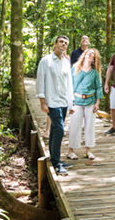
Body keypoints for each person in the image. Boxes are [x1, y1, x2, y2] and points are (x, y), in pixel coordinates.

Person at [37, 35, 75, 176]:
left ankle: (54, 159)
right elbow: (40, 81)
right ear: (55, 44)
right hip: (52, 101)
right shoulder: (46, 61)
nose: (63, 45)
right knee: (59, 129)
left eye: (65, 43)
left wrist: (71, 103)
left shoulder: (66, 62)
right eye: (61, 42)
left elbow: (69, 83)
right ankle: (57, 162)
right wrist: (42, 101)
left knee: (55, 129)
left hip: (63, 101)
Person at [67, 48, 103, 161]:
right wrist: (70, 101)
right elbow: (69, 85)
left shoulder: (94, 72)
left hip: (90, 101)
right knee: (75, 125)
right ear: (84, 55)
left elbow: (98, 87)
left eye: (93, 54)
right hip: (76, 100)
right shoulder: (75, 68)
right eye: (88, 53)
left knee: (90, 126)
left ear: (94, 59)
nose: (90, 54)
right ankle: (71, 151)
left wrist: (97, 102)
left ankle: (88, 150)